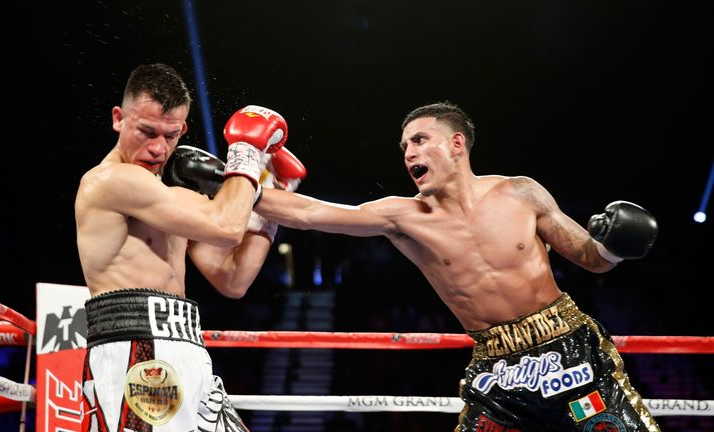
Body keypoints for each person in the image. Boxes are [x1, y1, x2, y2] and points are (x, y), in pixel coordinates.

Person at [253, 101, 660, 431]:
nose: (409, 152)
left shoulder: (521, 192)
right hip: (497, 369)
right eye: (404, 147)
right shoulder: (403, 216)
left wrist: (615, 247)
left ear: (456, 144)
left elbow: (591, 259)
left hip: (571, 350)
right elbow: (310, 212)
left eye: (419, 140)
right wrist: (233, 177)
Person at [74, 63, 302, 431]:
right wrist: (246, 154)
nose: (158, 148)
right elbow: (227, 226)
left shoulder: (171, 196)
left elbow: (233, 278)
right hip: (137, 349)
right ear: (118, 118)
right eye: (147, 132)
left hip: (185, 343)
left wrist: (273, 197)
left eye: (171, 135)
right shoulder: (110, 180)